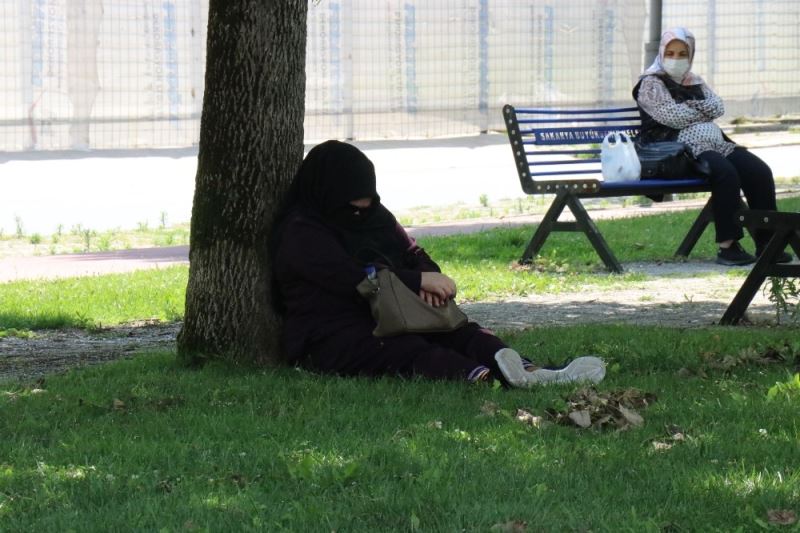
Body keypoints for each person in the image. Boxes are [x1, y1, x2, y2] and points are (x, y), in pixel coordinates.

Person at [271, 140, 605, 387]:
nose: (362, 212)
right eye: (353, 206)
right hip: (334, 329)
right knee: (408, 349)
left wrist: (429, 277)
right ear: (328, 193)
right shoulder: (302, 232)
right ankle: (488, 380)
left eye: (368, 204)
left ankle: (532, 373)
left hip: (396, 312)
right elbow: (350, 278)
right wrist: (417, 283)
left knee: (460, 332)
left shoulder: (375, 215)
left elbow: (411, 251)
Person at [632, 27, 792, 266]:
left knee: (758, 171)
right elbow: (672, 116)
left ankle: (768, 243)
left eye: (682, 54)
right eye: (671, 53)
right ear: (662, 53)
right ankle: (728, 247)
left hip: (717, 144)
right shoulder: (651, 83)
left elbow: (718, 106)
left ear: (691, 54)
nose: (676, 59)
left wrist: (690, 108)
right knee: (725, 174)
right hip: (680, 151)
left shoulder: (695, 81)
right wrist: (700, 110)